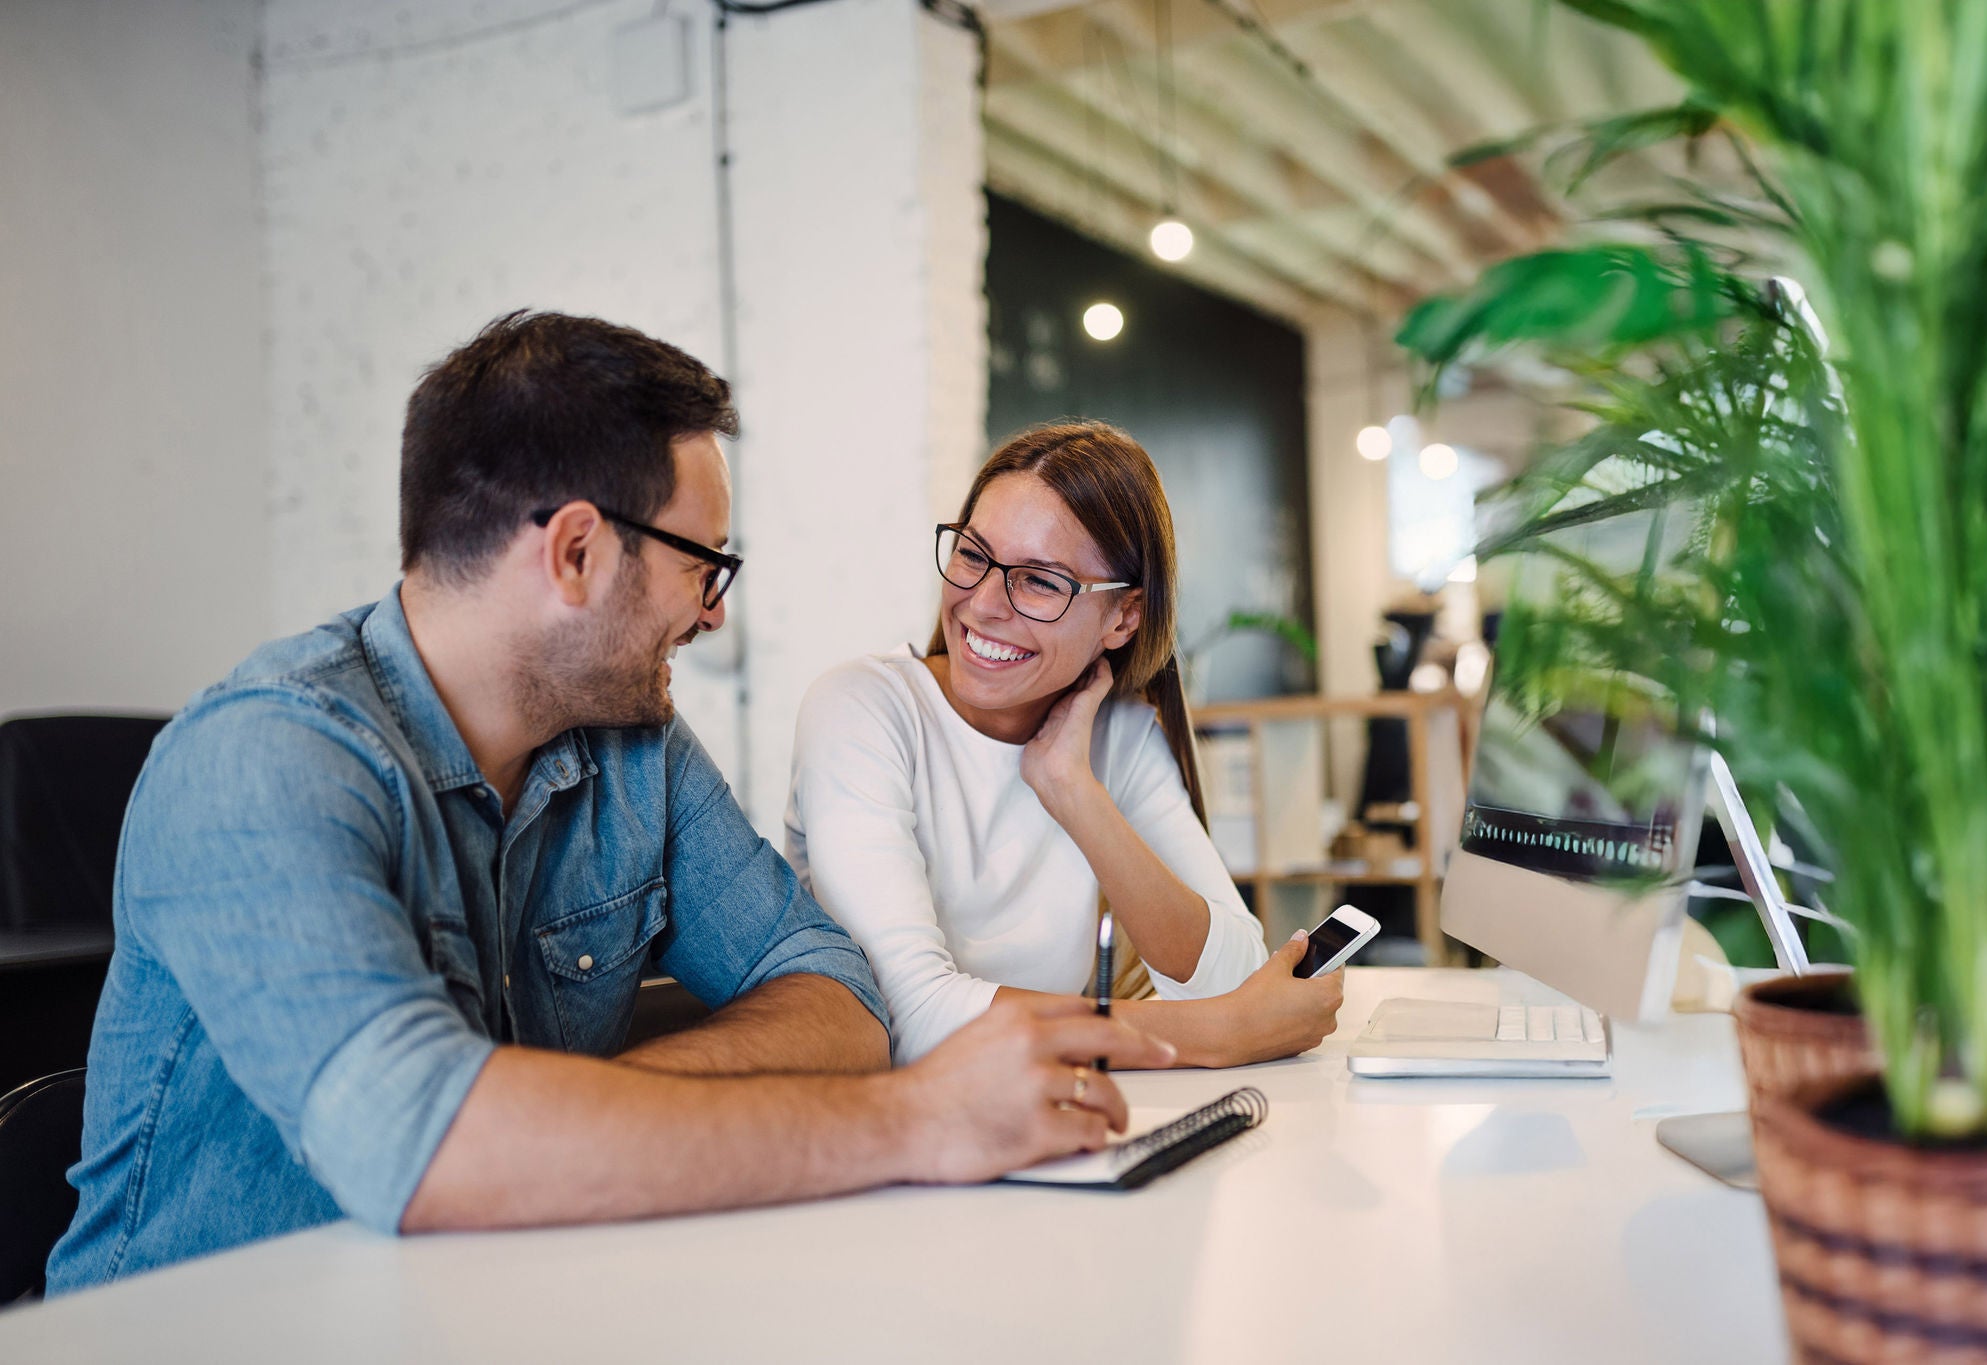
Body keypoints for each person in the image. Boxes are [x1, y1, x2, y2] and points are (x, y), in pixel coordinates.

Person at [46, 314, 1172, 1294]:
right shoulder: (263, 760)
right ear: (578, 552)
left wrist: (555, 1118)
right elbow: (425, 1151)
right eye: (703, 566)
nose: (714, 615)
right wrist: (923, 1121)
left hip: (500, 1301)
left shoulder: (635, 751)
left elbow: (837, 1001)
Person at [785, 421, 1342, 1066]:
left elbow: (1235, 979)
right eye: (972, 555)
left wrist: (1070, 788)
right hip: (896, 1134)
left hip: (1040, 1119)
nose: (986, 604)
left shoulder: (1119, 738)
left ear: (1122, 617)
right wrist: (1218, 1033)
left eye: (1041, 582)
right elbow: (909, 1016)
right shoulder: (862, 709)